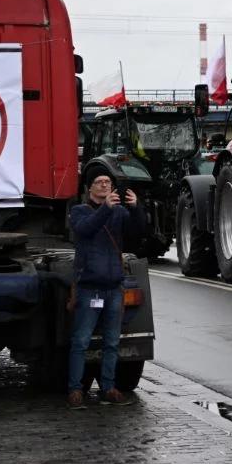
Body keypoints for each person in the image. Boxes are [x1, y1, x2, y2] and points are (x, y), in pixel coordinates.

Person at [66, 175, 147, 409]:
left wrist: (136, 208)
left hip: (113, 288)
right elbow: (86, 230)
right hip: (90, 289)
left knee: (112, 342)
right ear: (89, 187)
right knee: (81, 341)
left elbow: (136, 233)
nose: (105, 185)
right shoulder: (79, 211)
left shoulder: (118, 212)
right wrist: (105, 208)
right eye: (99, 182)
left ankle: (108, 388)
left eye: (108, 183)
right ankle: (75, 389)